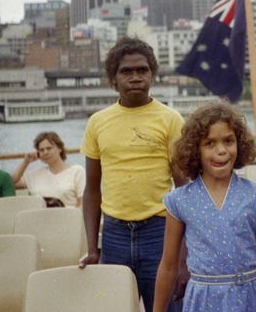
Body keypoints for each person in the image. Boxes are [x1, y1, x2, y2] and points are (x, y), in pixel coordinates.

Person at [79, 37, 187, 312]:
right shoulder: (98, 122)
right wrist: (94, 248)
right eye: (126, 71)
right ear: (113, 79)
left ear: (152, 74)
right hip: (114, 235)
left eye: (142, 70)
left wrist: (185, 255)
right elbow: (92, 190)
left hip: (160, 232)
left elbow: (185, 189)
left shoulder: (170, 119)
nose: (135, 77)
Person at [153, 101, 256, 312]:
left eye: (228, 141)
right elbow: (168, 266)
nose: (221, 151)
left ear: (240, 144)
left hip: (250, 300)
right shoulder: (178, 201)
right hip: (202, 302)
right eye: (210, 143)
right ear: (195, 150)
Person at [11, 131, 84, 207]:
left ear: (60, 149)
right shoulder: (35, 175)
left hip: (67, 216)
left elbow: (82, 203)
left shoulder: (77, 171)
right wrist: (26, 162)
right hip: (40, 216)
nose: (45, 152)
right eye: (41, 150)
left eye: (49, 148)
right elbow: (11, 183)